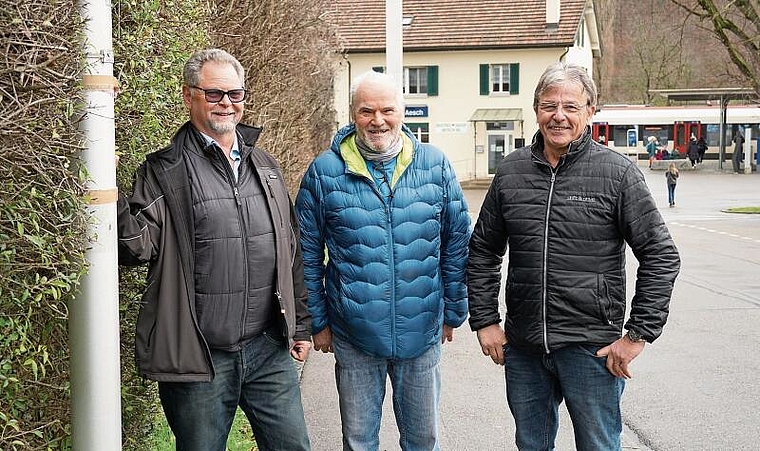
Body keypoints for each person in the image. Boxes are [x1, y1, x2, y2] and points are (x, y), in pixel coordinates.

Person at [466, 61, 680, 451]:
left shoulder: (617, 174)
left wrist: (638, 335)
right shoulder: (511, 171)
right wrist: (484, 321)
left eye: (570, 106)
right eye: (549, 106)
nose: (558, 115)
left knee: (597, 445)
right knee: (531, 444)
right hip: (525, 346)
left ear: (590, 111)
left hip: (591, 348)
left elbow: (660, 254)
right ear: (536, 111)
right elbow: (482, 250)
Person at [117, 49, 312, 451]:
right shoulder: (164, 171)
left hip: (267, 351)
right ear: (188, 96)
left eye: (235, 94)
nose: (227, 103)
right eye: (215, 94)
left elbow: (290, 250)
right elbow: (135, 248)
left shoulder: (266, 166)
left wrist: (301, 324)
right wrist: (108, 194)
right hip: (199, 359)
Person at [296, 70, 470, 451]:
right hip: (353, 334)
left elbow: (456, 242)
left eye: (387, 110)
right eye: (366, 111)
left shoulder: (434, 165)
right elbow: (305, 254)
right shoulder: (325, 172)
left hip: (422, 330)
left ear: (402, 112)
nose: (377, 120)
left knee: (422, 440)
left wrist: (453, 312)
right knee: (359, 441)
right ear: (352, 113)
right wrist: (317, 321)